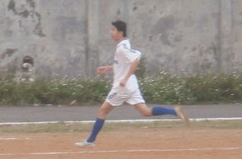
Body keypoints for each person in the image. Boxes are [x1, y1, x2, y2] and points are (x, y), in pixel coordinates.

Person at [76, 19, 189, 147]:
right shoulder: (124, 45)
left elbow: (135, 60)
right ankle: (174, 111)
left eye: (113, 30)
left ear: (120, 33)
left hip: (122, 87)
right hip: (131, 86)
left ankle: (90, 141)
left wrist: (125, 78)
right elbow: (125, 63)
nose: (111, 32)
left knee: (102, 111)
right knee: (145, 112)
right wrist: (109, 67)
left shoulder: (122, 48)